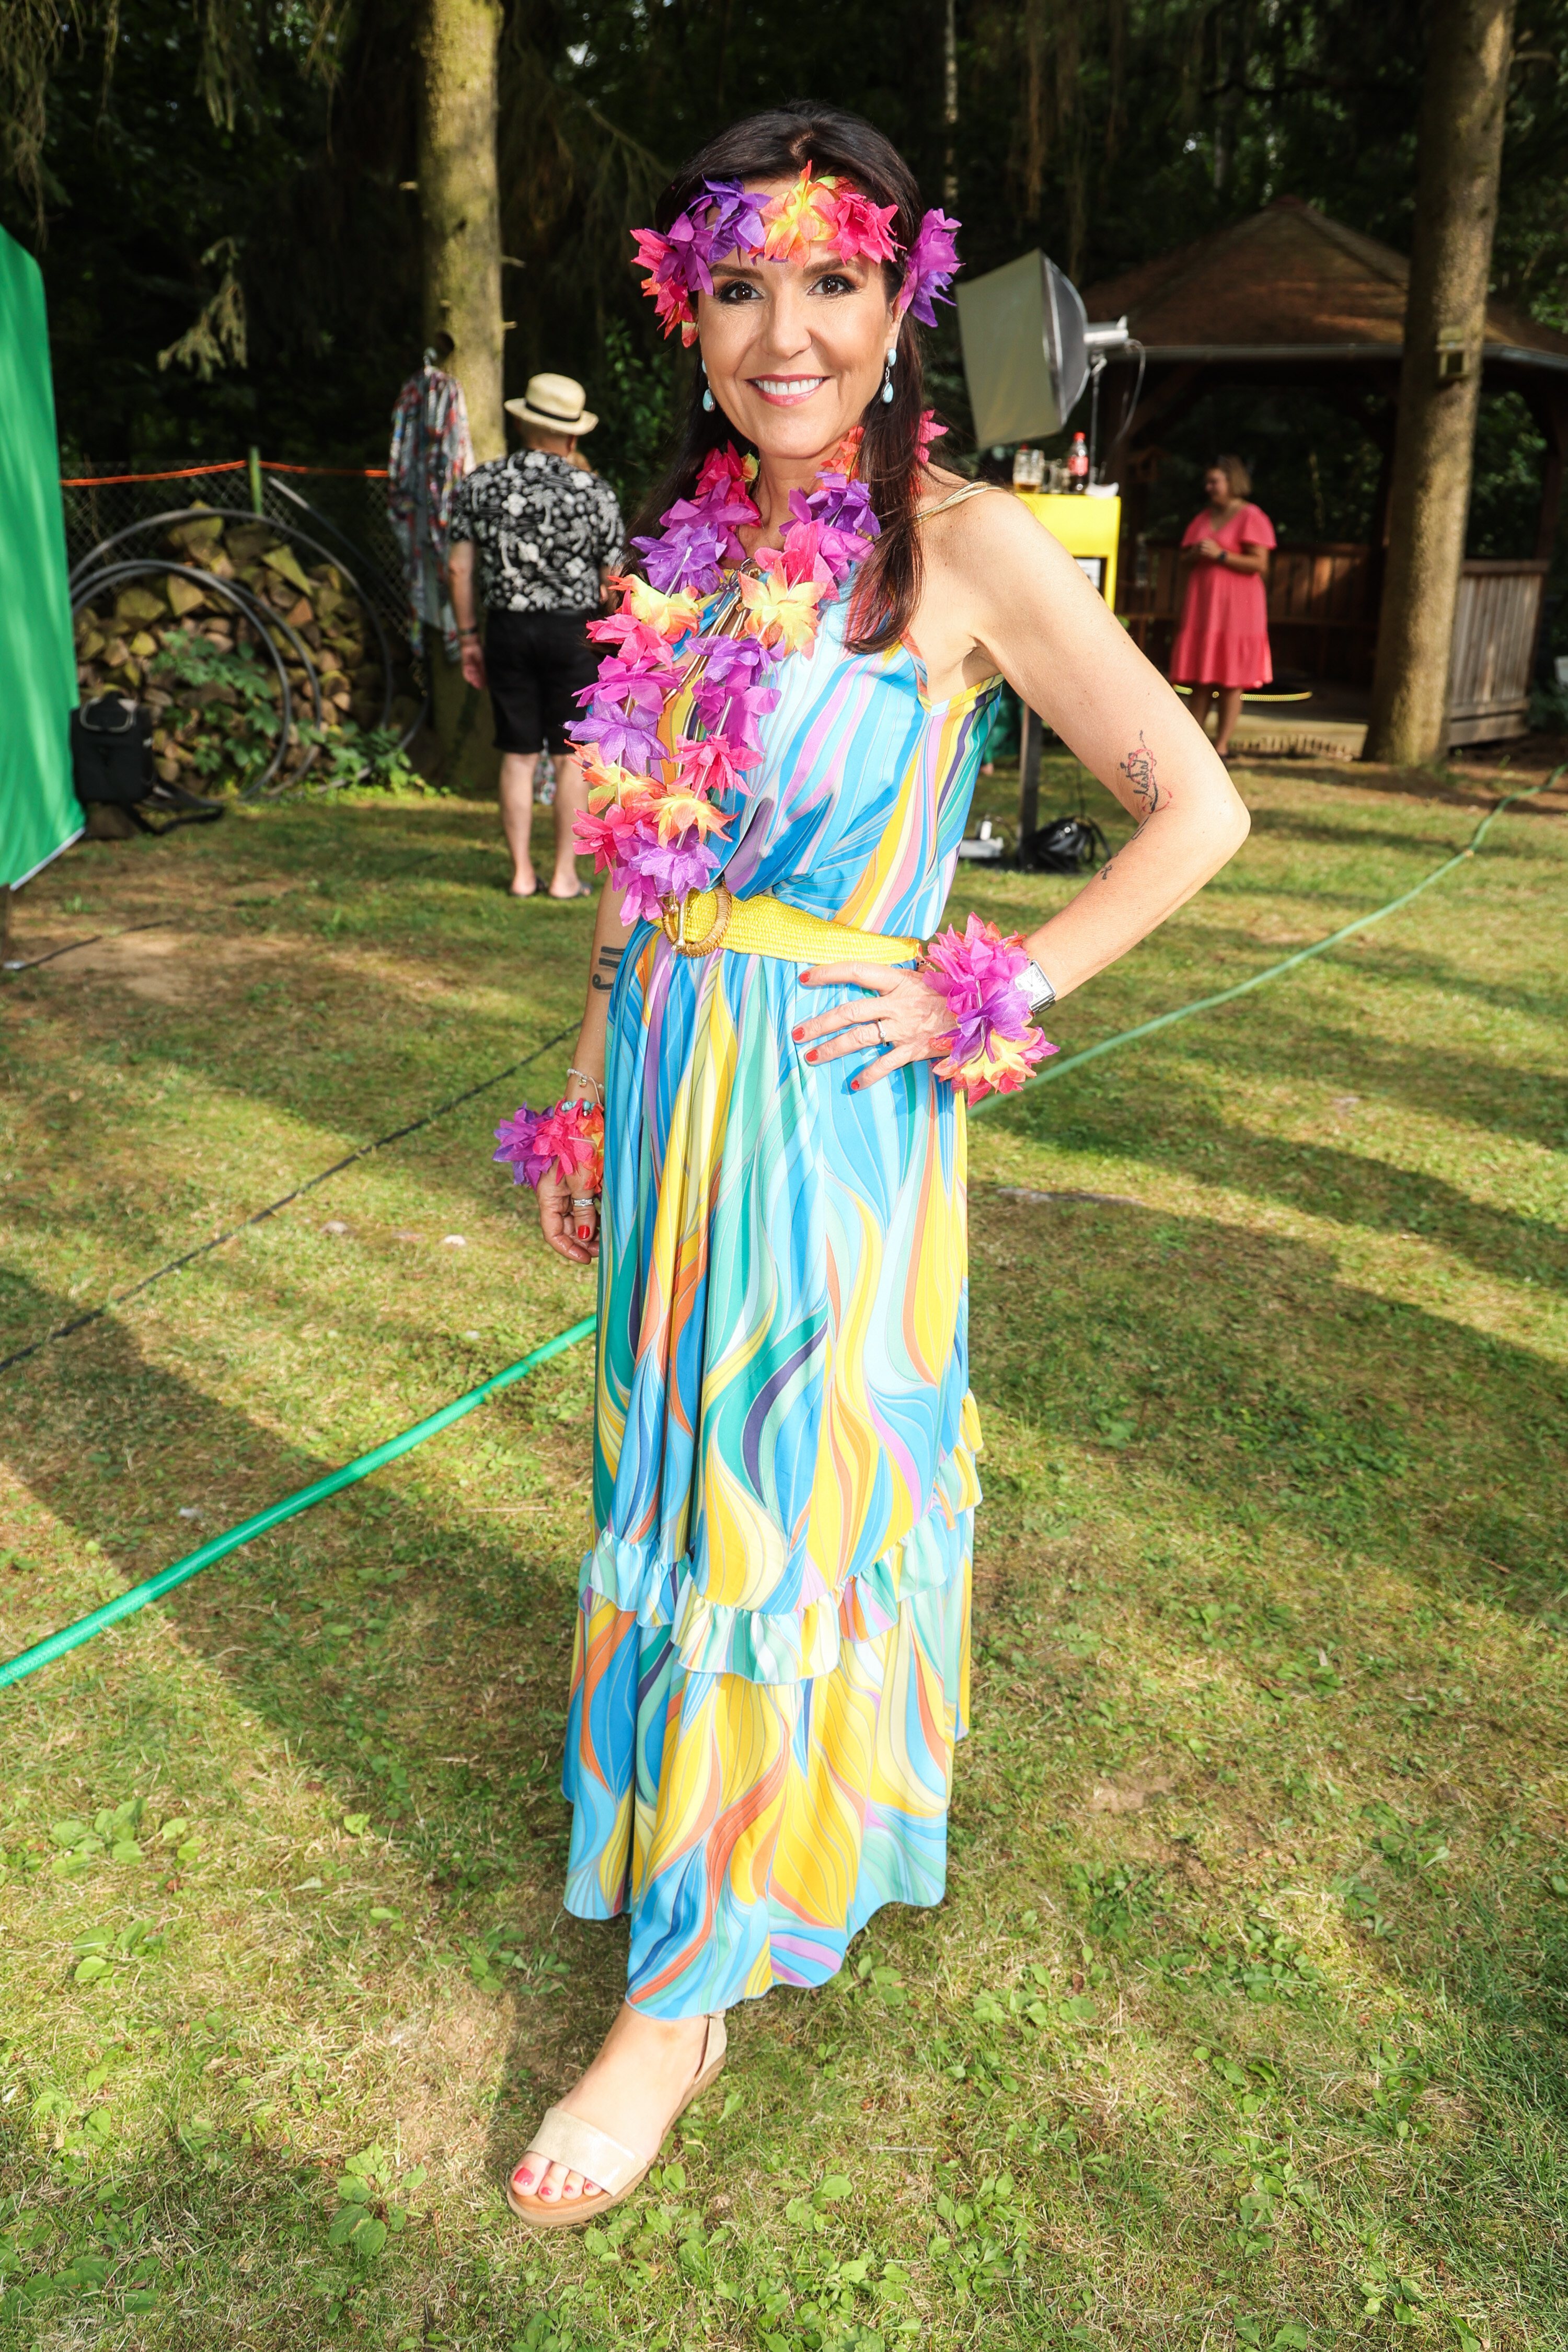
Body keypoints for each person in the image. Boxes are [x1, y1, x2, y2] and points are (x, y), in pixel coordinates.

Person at [503, 106, 1250, 2228]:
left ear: (897, 299)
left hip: (828, 1112)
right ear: (688, 313)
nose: (787, 335)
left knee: (782, 1494)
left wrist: (987, 990)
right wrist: (587, 1080)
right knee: (681, 1476)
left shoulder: (970, 547)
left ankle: (680, 2004)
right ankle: (717, 1835)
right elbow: (641, 867)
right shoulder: (679, 556)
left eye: (831, 282)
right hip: (671, 1084)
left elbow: (1195, 810)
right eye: (741, 288)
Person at [447, 373, 624, 900]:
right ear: (572, 435)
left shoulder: (479, 484)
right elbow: (613, 581)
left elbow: (458, 569)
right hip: (573, 631)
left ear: (524, 424)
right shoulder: (594, 492)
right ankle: (565, 876)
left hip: (506, 627)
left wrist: (469, 638)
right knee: (571, 754)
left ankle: (522, 874)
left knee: (519, 754)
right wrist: (615, 642)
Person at [1168, 455, 1276, 760]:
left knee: (1232, 680)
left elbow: (1260, 564)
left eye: (1215, 481)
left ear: (1232, 482)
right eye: (1208, 482)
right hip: (1204, 608)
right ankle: (1193, 745)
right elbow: (1185, 559)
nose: (1209, 487)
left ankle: (1222, 747)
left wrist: (1221, 555)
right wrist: (1196, 554)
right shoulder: (1203, 518)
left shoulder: (1251, 516)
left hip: (1238, 609)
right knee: (1201, 677)